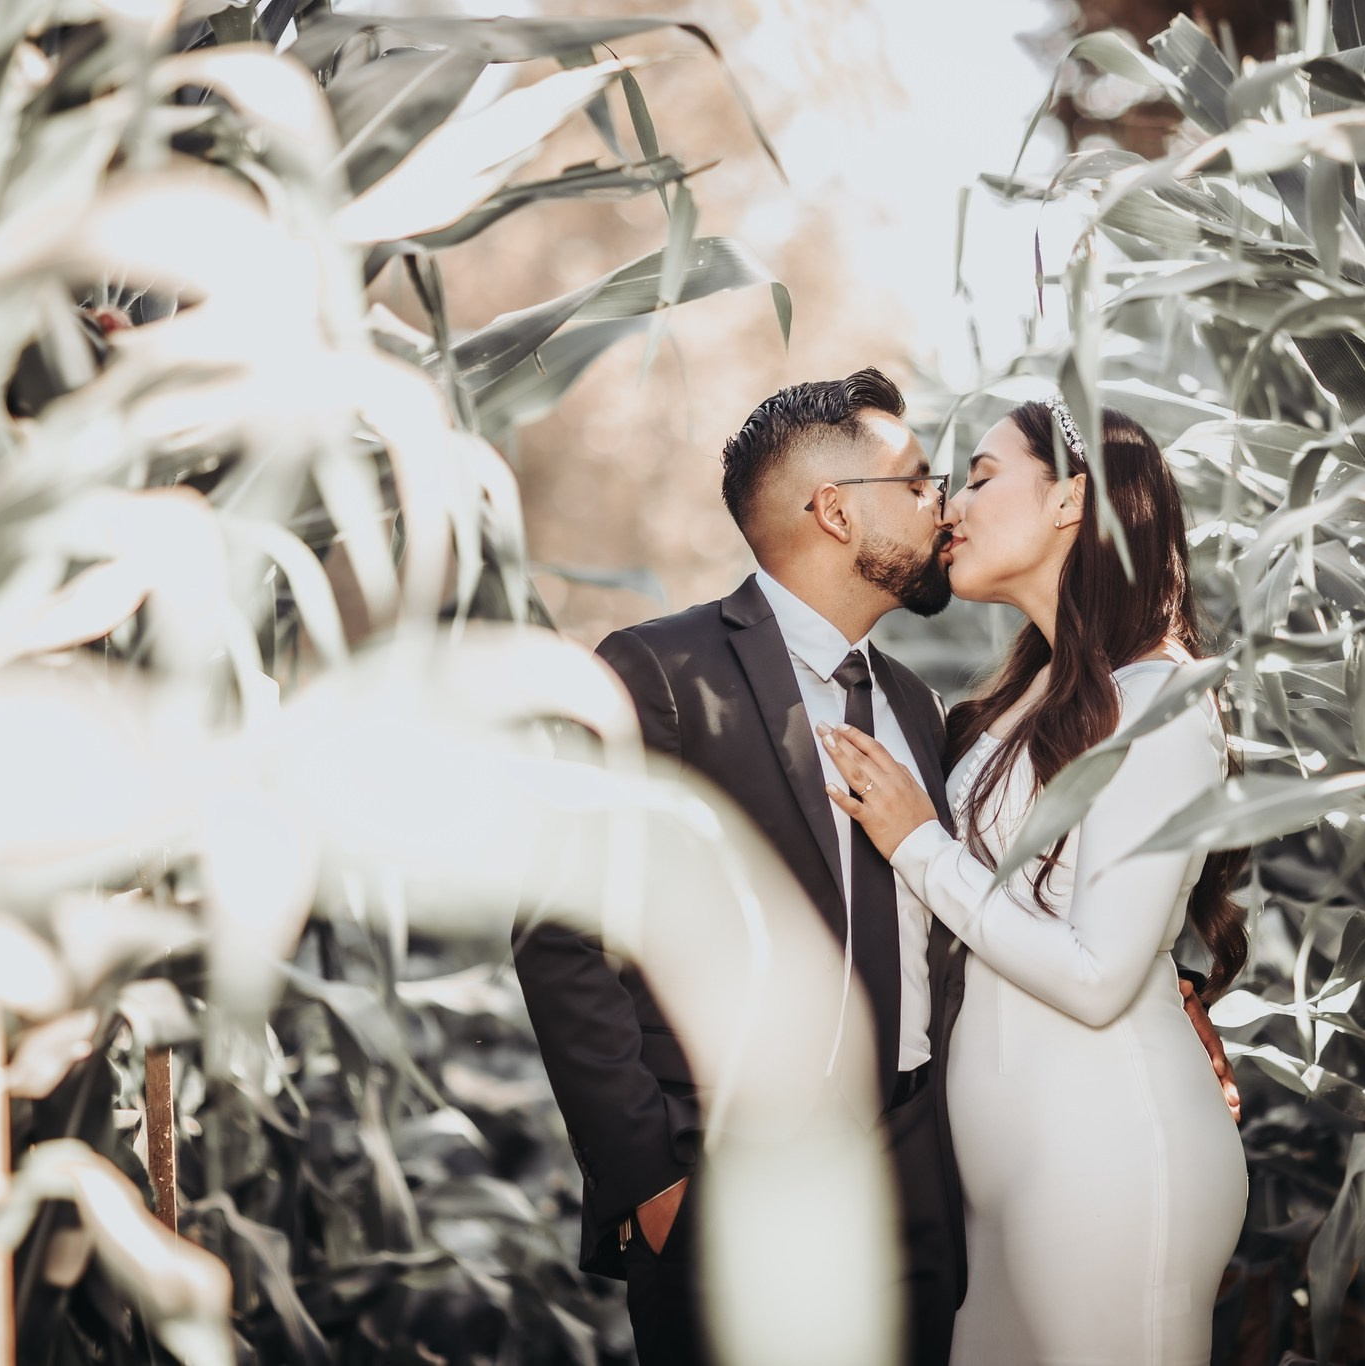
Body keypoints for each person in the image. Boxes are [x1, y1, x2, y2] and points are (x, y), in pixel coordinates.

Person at [514, 370, 1235, 1366]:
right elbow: (560, 934)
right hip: (730, 1189)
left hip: (927, 1191)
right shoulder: (662, 675)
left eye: (969, 478)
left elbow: (1073, 899)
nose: (943, 505)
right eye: (923, 482)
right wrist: (650, 1179)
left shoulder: (915, 705)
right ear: (837, 510)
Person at [819, 396, 1251, 1365]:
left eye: (977, 476)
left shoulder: (1161, 700)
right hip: (998, 1176)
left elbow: (1099, 975)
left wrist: (919, 845)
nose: (950, 505)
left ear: (1069, 500)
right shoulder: (1024, 697)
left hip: (1110, 1158)